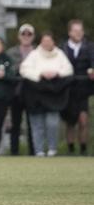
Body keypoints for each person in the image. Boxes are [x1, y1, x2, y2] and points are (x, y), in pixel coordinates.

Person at [20, 32, 73, 157]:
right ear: (41, 42)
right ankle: (39, 151)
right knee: (37, 125)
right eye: (44, 41)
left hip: (54, 96)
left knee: (52, 123)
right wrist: (40, 74)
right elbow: (24, 69)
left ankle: (52, 150)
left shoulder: (60, 54)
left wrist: (56, 73)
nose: (47, 43)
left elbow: (69, 69)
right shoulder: (34, 55)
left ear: (53, 42)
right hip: (35, 96)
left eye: (49, 41)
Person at [60, 19, 94, 155]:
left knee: (83, 121)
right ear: (69, 32)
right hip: (68, 90)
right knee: (70, 122)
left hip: (83, 90)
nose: (78, 33)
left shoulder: (90, 47)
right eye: (75, 30)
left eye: (80, 30)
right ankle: (70, 150)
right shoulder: (62, 48)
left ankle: (83, 150)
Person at [6, 23, 36, 155]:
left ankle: (34, 152)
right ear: (19, 36)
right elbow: (8, 70)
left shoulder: (38, 52)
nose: (26, 36)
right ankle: (14, 152)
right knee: (15, 124)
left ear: (33, 36)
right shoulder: (11, 52)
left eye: (29, 34)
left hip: (33, 92)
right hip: (16, 93)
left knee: (32, 124)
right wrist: (21, 67)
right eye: (24, 33)